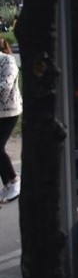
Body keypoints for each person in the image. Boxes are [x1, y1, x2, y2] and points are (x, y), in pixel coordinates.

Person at [0, 38, 22, 204]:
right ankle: (8, 183)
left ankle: (14, 180)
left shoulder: (8, 61)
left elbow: (6, 86)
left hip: (9, 112)